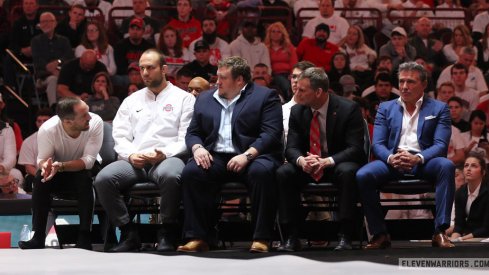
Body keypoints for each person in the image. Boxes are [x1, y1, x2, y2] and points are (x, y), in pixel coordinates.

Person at [177, 56, 283, 253]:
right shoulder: (205, 98)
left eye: (223, 78)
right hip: (216, 156)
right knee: (193, 172)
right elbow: (193, 132)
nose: (217, 82)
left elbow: (271, 133)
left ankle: (262, 238)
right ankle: (198, 237)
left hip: (253, 156)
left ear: (239, 80)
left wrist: (247, 155)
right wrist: (198, 148)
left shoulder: (265, 96)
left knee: (262, 173)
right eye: (217, 76)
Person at [94, 49, 195, 252]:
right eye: (142, 68)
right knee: (103, 179)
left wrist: (164, 153)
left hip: (168, 157)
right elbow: (120, 136)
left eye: (150, 67)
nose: (145, 72)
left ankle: (167, 231)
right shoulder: (131, 100)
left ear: (164, 69)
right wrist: (131, 154)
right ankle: (128, 231)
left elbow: (187, 136)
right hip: (136, 160)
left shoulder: (184, 98)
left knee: (170, 174)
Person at [356, 62, 455, 249]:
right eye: (401, 81)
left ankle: (440, 232)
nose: (404, 86)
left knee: (446, 166)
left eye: (410, 81)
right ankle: (380, 233)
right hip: (393, 161)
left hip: (424, 161)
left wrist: (418, 158)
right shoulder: (385, 108)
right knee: (363, 175)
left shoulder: (439, 108)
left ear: (424, 84)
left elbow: (440, 145)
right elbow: (377, 144)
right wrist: (391, 158)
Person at [276, 67, 366, 252]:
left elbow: (355, 149)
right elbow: (291, 147)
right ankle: (291, 236)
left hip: (336, 164)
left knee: (349, 171)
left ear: (318, 92)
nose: (296, 92)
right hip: (308, 165)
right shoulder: (297, 111)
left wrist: (327, 161)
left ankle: (345, 234)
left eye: (302, 90)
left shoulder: (348, 109)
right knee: (284, 172)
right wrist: (301, 160)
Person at [18, 97, 104, 250]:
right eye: (84, 115)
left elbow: (89, 161)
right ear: (68, 121)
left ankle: (84, 236)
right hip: (58, 171)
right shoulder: (48, 129)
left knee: (84, 178)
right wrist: (45, 166)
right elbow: (42, 159)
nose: (90, 117)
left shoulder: (95, 122)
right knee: (40, 179)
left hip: (84, 169)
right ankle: (38, 236)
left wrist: (61, 166)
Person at [31, 12, 74, 107]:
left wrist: (58, 64)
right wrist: (50, 70)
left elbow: (69, 58)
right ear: (40, 25)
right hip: (43, 78)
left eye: (49, 21)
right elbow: (38, 62)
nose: (46, 24)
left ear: (55, 23)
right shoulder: (35, 41)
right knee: (53, 79)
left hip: (62, 74)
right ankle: (54, 107)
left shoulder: (64, 40)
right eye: (43, 21)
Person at [450, 152, 489, 241]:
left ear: (483, 172)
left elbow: (486, 228)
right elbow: (459, 225)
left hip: (485, 237)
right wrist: (453, 240)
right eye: (466, 165)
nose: (468, 169)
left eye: (474, 166)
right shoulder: (460, 193)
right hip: (468, 236)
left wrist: (461, 239)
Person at [18, 108, 53, 193]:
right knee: (30, 179)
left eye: (45, 120)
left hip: (60, 172)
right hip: (38, 174)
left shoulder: (63, 138)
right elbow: (29, 167)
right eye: (39, 121)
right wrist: (44, 175)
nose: (42, 123)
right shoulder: (28, 141)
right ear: (36, 123)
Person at [282, 61, 316, 143]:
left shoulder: (320, 109)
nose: (296, 80)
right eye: (294, 76)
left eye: (301, 76)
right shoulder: (282, 110)